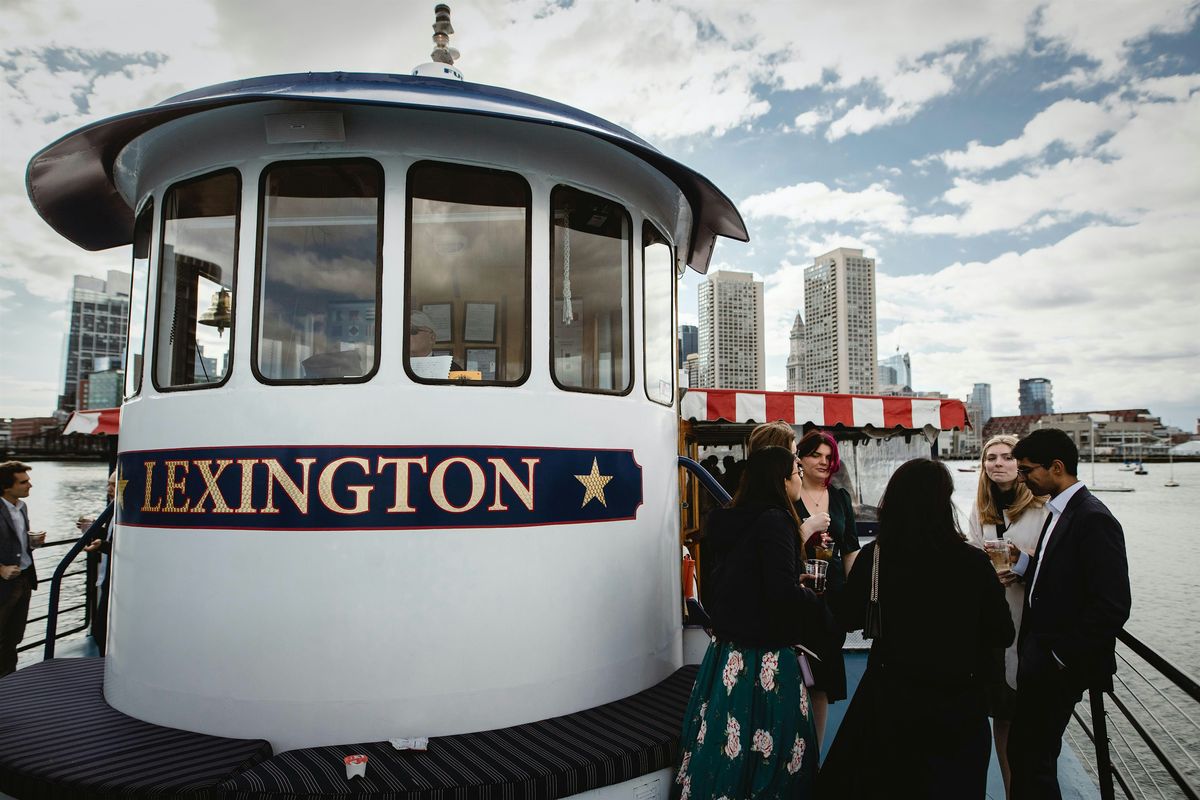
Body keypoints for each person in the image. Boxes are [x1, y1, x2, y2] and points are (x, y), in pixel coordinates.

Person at [819, 458, 1014, 798]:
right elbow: (1002, 633)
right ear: (944, 502)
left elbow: (848, 617)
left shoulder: (875, 558)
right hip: (958, 703)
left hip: (890, 697)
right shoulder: (973, 563)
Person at [671, 446, 826, 799]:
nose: (800, 477)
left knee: (725, 744)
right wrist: (812, 599)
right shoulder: (778, 521)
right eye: (796, 472)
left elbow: (744, 580)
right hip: (766, 657)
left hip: (728, 655)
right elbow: (780, 593)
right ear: (781, 480)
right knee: (774, 750)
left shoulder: (728, 518)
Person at [1007, 428, 1131, 800]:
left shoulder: (1093, 517)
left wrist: (1060, 657)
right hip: (1041, 655)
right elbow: (1060, 575)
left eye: (1028, 470)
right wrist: (1024, 563)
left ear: (1056, 467)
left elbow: (1113, 603)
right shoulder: (1059, 509)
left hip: (1058, 663)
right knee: (1029, 753)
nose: (1023, 478)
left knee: (1032, 757)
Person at [746, 423, 854, 748]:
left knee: (819, 683)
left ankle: (812, 757)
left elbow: (850, 549)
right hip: (795, 602)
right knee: (792, 682)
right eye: (809, 455)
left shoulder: (839, 497)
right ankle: (788, 756)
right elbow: (773, 559)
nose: (823, 461)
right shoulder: (780, 503)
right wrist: (806, 528)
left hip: (825, 600)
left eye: (829, 456)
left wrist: (855, 595)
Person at [966, 434, 1048, 799]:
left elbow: (1053, 562)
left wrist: (1024, 565)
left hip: (1030, 623)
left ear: (1020, 465)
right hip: (992, 625)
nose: (997, 463)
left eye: (1006, 457)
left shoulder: (1042, 508)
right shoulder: (980, 508)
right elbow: (969, 555)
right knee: (1001, 715)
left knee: (1029, 723)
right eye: (990, 458)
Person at [1, 461, 45, 677]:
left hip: (25, 579)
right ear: (6, 487)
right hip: (3, 584)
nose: (30, 485)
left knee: (15, 636)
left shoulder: (22, 506)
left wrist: (33, 543)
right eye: (24, 482)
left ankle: (9, 683)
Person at [81, 470, 118, 655]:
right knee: (100, 631)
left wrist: (102, 545)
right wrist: (95, 530)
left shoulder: (123, 510)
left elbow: (125, 547)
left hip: (115, 580)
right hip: (107, 578)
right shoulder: (114, 508)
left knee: (101, 631)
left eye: (113, 484)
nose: (108, 489)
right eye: (108, 484)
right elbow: (112, 537)